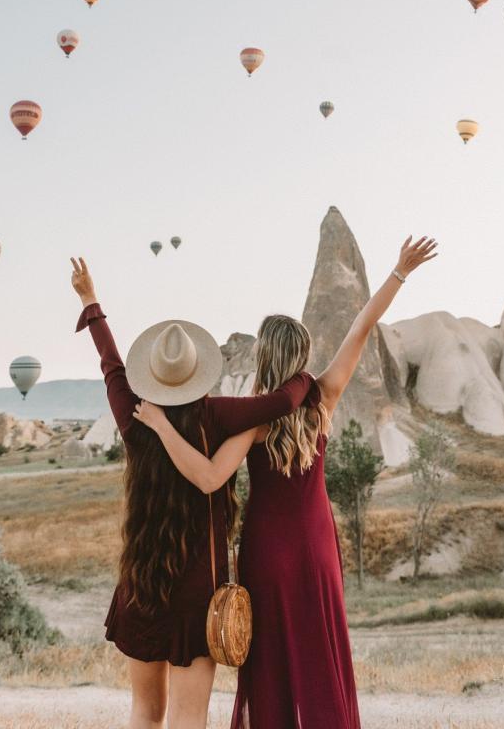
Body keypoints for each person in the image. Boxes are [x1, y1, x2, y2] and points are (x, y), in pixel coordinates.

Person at [133, 235, 438, 728]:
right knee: (321, 655)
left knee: (270, 663)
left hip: (267, 549)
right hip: (316, 544)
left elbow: (210, 479)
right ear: (301, 355)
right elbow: (362, 326)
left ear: (264, 358)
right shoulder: (323, 398)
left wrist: (162, 425)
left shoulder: (254, 420)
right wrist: (399, 272)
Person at [70, 256, 316, 729]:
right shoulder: (218, 415)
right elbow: (287, 400)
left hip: (142, 580)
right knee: (189, 715)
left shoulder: (134, 414)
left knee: (146, 711)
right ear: (199, 372)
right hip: (196, 590)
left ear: (153, 376)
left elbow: (110, 365)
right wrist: (311, 378)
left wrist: (90, 301)